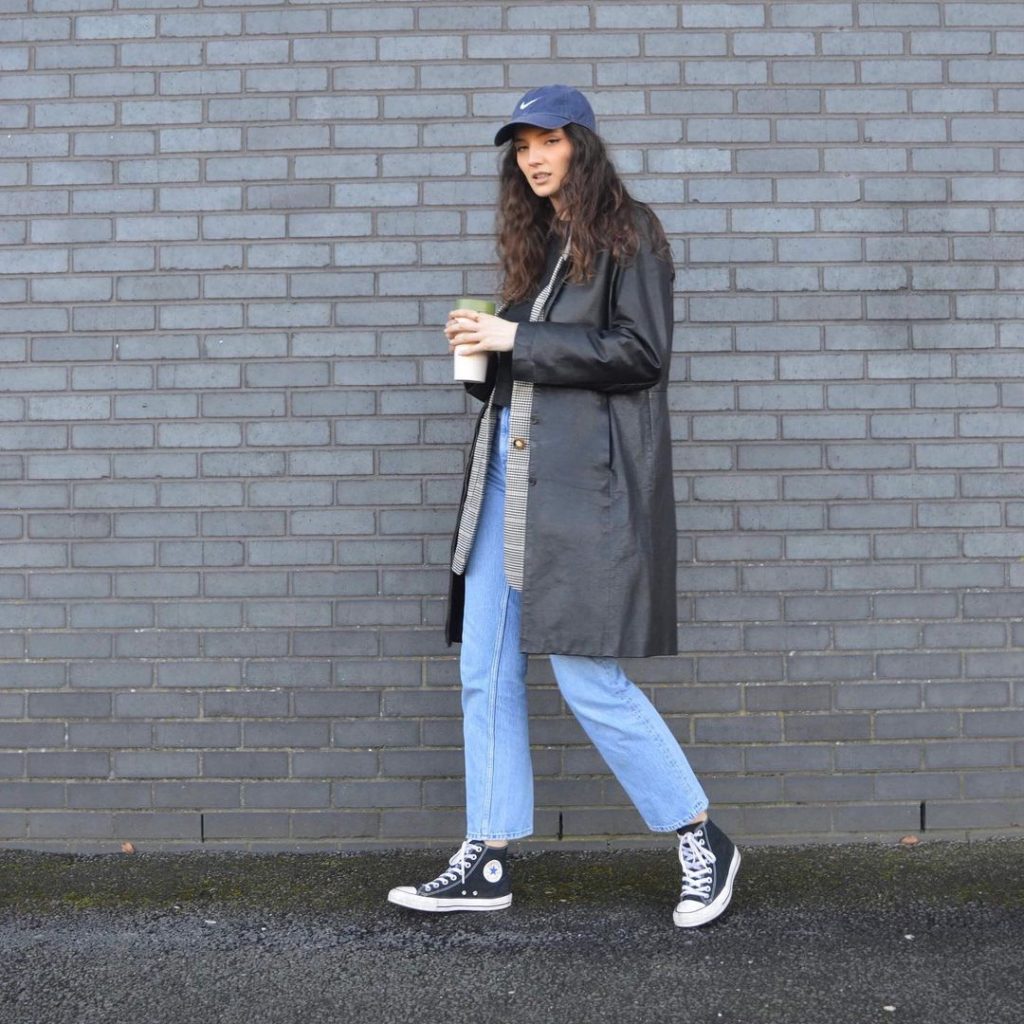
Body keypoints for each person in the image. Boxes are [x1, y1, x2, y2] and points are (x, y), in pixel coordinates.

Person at [386, 85, 741, 928]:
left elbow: (642, 354)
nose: (534, 158)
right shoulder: (542, 245)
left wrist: (519, 339)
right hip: (507, 481)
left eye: (549, 141)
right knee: (486, 672)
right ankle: (488, 854)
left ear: (582, 144)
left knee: (589, 678)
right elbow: (539, 373)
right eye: (521, 147)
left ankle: (700, 836)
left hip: (582, 496)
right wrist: (484, 353)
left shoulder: (631, 231)